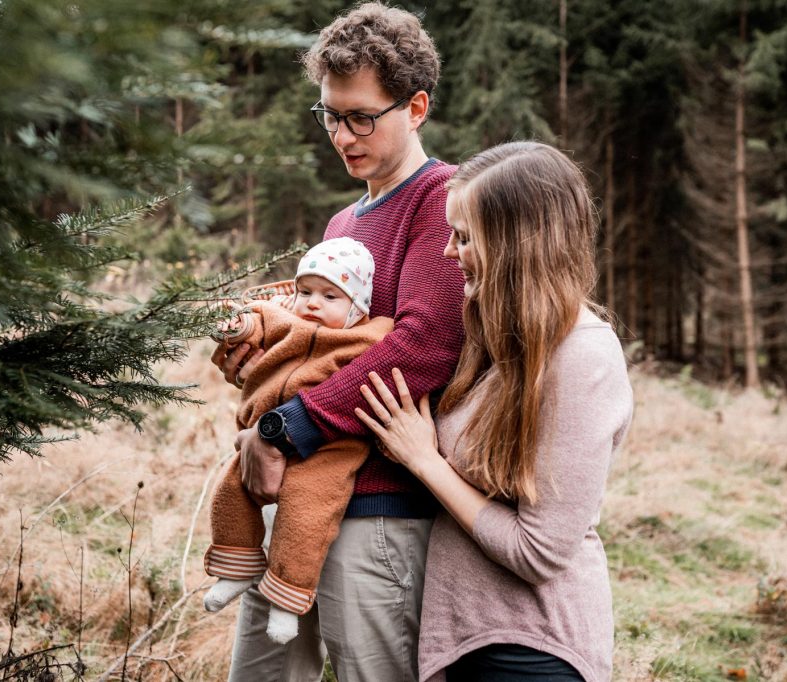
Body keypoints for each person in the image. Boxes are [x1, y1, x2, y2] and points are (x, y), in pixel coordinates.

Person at [210, 4, 465, 681]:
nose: (341, 135)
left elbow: (423, 346)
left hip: (378, 511)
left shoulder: (445, 198)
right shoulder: (343, 220)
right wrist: (256, 349)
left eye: (360, 117)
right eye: (329, 114)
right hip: (292, 501)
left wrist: (285, 425)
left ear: (415, 107)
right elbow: (318, 341)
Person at [356, 141, 634, 682]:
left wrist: (425, 461)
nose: (447, 252)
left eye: (463, 237)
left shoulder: (584, 357)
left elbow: (539, 552)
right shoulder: (495, 342)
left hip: (532, 650)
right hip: (473, 640)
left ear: (516, 244)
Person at [203, 238, 391, 644]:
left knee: (306, 514)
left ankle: (288, 598)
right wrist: (238, 326)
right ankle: (236, 566)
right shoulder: (289, 321)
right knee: (231, 491)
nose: (312, 303)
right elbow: (258, 316)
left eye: (329, 296)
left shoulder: (364, 338)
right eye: (305, 291)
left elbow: (397, 352)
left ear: (357, 307)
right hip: (263, 434)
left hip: (330, 449)